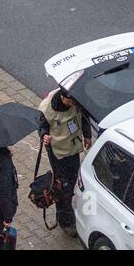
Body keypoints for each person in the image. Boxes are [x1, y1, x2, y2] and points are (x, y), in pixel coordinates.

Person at [37, 87, 90, 235]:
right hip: (58, 153)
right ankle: (65, 220)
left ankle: (67, 205)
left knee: (72, 179)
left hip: (72, 148)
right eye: (69, 101)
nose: (72, 104)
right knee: (63, 186)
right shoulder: (47, 109)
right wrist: (44, 136)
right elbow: (41, 126)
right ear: (62, 98)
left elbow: (84, 116)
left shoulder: (76, 101)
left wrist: (87, 136)